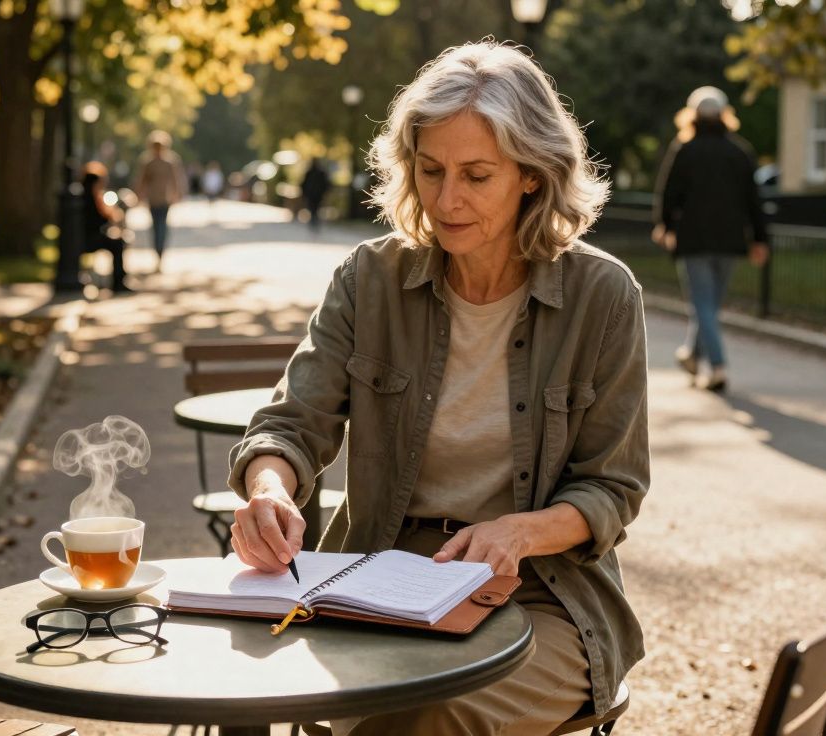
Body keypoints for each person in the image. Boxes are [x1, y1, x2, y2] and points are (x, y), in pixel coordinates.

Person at [225, 41, 649, 735]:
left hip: (542, 594)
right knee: (249, 683)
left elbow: (613, 488)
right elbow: (289, 427)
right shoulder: (371, 279)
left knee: (432, 713)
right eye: (430, 170)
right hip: (373, 578)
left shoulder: (602, 296)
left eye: (477, 175)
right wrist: (269, 489)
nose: (447, 200)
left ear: (533, 177)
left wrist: (517, 533)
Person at [652, 85, 769, 393]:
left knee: (703, 305)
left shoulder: (685, 150)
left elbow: (669, 193)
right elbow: (753, 200)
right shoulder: (739, 152)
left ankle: (716, 366)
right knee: (709, 305)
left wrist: (665, 225)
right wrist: (759, 239)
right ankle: (692, 355)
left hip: (694, 240)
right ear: (724, 115)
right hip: (730, 241)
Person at [133, 130, 185, 272]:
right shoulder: (147, 162)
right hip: (153, 199)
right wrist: (138, 195)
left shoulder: (170, 161)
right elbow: (141, 180)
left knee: (163, 227)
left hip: (165, 199)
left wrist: (177, 193)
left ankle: (161, 254)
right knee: (156, 228)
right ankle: (157, 254)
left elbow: (176, 179)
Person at [80, 161, 132, 293]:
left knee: (116, 241)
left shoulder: (81, 194)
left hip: (81, 238)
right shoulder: (92, 197)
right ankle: (118, 282)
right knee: (117, 243)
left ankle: (118, 281)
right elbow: (100, 220)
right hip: (87, 239)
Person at [300, 158, 331, 231]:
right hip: (316, 194)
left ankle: (314, 220)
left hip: (313, 194)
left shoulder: (311, 173)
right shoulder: (317, 173)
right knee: (315, 208)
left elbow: (303, 184)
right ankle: (314, 220)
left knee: (313, 208)